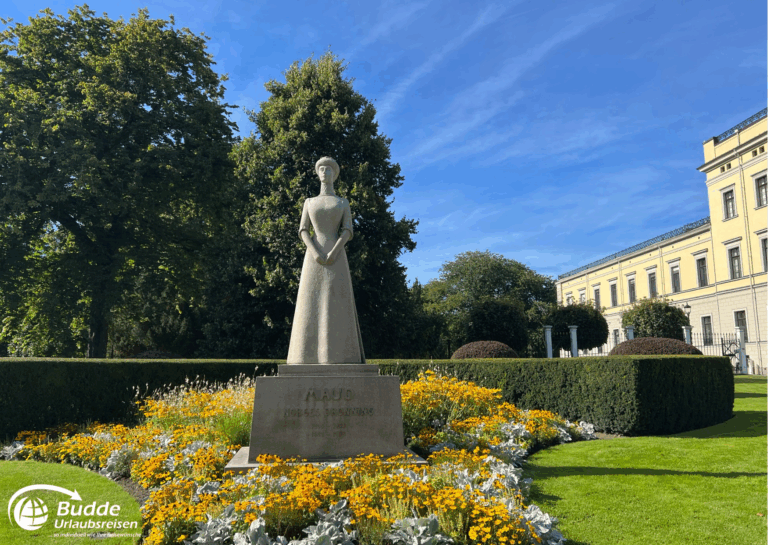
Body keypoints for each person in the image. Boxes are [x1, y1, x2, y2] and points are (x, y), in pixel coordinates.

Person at [286, 157, 366, 364]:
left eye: (329, 169)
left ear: (334, 174)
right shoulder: (309, 202)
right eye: (321, 168)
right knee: (310, 301)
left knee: (336, 301)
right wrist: (314, 252)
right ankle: (303, 356)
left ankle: (341, 355)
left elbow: (348, 230)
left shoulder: (342, 202)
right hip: (313, 257)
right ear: (318, 173)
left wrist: (334, 252)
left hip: (336, 256)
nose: (324, 171)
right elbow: (303, 230)